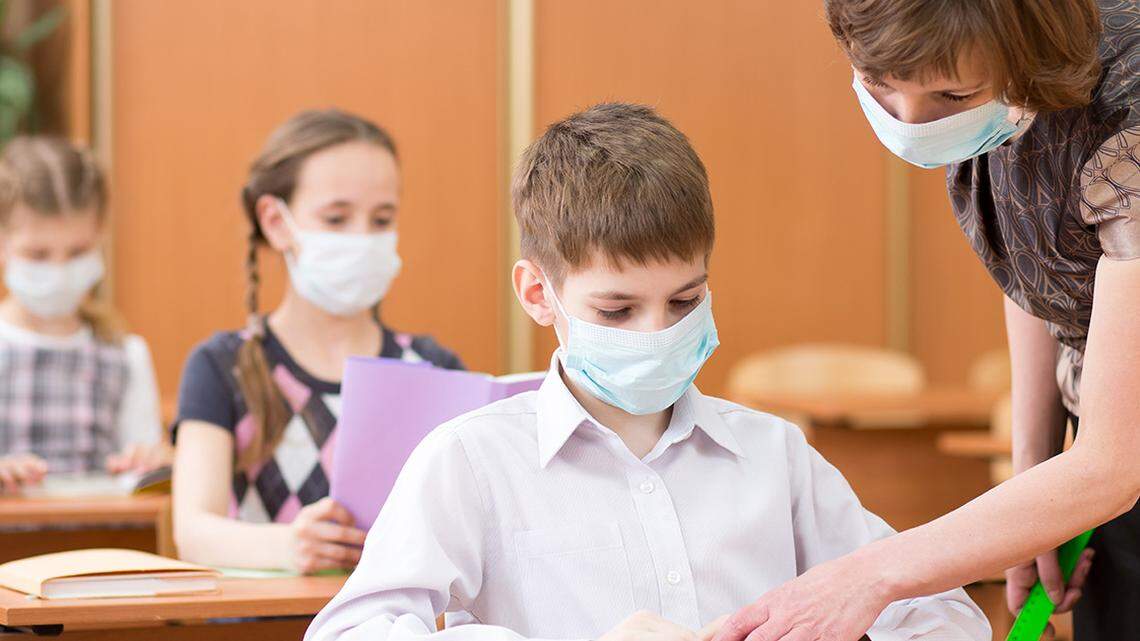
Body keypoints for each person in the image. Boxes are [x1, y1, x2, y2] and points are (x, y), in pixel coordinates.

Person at [304, 103, 990, 641]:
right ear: (539, 294)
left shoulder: (772, 455)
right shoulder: (471, 459)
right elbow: (349, 629)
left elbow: (946, 616)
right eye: (617, 307)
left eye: (685, 301)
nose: (658, 332)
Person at [718, 1, 1139, 639]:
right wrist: (1031, 482)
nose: (912, 123)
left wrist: (869, 575)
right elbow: (1033, 265)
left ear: (1024, 51)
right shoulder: (992, 107)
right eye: (882, 86)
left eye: (954, 93)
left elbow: (1112, 466)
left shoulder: (1127, 117)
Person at [172, 109, 463, 573]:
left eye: (382, 218)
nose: (363, 238)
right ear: (276, 220)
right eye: (336, 217)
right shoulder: (220, 365)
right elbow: (192, 531)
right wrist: (290, 546)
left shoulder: (434, 368)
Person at [0, 136, 167, 491]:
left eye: (77, 252)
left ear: (100, 236)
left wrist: (150, 461)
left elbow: (144, 479)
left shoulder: (125, 355)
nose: (59, 271)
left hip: (101, 544)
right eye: (38, 254)